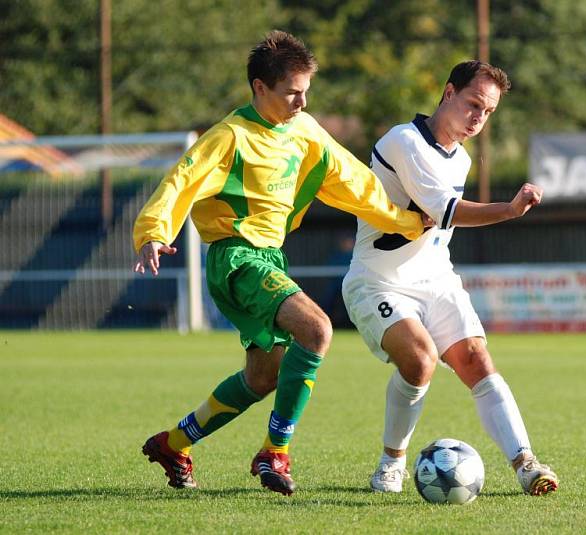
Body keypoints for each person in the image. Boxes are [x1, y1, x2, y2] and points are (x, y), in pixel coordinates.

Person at [133, 31, 427, 496]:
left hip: (269, 259)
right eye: (292, 92)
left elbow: (353, 180)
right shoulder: (230, 136)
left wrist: (407, 221)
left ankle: (173, 443)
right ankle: (275, 452)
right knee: (317, 329)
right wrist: (153, 232)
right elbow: (180, 180)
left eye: (307, 90)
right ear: (259, 88)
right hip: (236, 257)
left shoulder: (305, 129)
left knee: (263, 376)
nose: (302, 101)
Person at [341, 61, 558, 497]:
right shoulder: (403, 141)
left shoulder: (458, 158)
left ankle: (525, 464)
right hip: (378, 281)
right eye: (474, 103)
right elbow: (449, 212)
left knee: (477, 359)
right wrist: (509, 210)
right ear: (448, 93)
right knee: (420, 361)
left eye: (488, 111)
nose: (479, 117)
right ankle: (391, 463)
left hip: (435, 278)